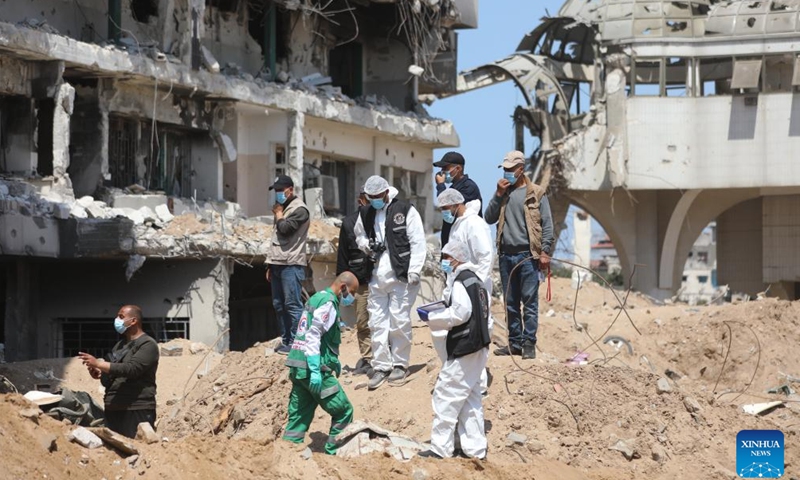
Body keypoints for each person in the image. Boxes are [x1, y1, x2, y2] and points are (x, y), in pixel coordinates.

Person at [418, 240, 490, 460]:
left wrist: (433, 318)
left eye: (447, 258)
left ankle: (440, 448)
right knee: (470, 398)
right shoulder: (476, 281)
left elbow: (460, 313)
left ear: (457, 258)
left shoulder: (461, 281)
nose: (444, 262)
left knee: (446, 395)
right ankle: (475, 449)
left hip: (465, 346)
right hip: (478, 346)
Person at [354, 175, 426, 390]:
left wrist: (414, 270)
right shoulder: (366, 213)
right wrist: (367, 245)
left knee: (399, 321)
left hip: (400, 275)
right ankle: (381, 365)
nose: (375, 200)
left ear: (386, 193)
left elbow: (418, 241)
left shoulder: (405, 210)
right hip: (377, 276)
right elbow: (358, 236)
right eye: (371, 197)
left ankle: (400, 364)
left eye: (378, 196)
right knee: (376, 323)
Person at [484, 151, 554, 360]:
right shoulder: (503, 193)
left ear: (521, 169)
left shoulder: (537, 193)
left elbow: (547, 225)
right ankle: (514, 344)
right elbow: (488, 217)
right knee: (510, 303)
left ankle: (529, 343)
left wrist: (545, 252)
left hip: (528, 256)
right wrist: (497, 195)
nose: (507, 172)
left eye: (511, 169)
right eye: (505, 168)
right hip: (506, 255)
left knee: (529, 302)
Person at [282, 272, 359, 455]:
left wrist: (333, 360)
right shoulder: (329, 303)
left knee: (299, 416)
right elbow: (313, 334)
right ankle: (334, 453)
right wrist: (316, 370)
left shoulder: (317, 298)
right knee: (343, 411)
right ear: (342, 287)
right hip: (312, 371)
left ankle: (287, 456)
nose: (350, 298)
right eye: (350, 292)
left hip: (298, 368)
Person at [436, 188, 495, 394]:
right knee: (463, 335)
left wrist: (473, 284)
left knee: (476, 334)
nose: (444, 212)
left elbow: (485, 257)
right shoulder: (457, 225)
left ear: (456, 204)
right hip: (460, 288)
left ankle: (478, 385)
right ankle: (466, 381)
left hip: (473, 289)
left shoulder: (474, 224)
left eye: (445, 208)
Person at [77, 305, 159, 439]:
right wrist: (100, 372)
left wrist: (99, 363)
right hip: (113, 409)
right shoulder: (120, 345)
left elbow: (132, 369)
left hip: (136, 408)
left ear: (133, 321)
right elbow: (113, 372)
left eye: (121, 317)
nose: (117, 320)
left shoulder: (147, 344)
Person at [266, 174, 310, 355]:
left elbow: (284, 230)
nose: (278, 194)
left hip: (291, 264)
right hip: (277, 263)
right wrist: (269, 265)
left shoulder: (300, 209)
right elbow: (274, 240)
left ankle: (298, 343)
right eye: (276, 191)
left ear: (290, 190)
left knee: (292, 304)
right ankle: (286, 341)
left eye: (280, 190)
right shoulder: (283, 208)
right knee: (278, 304)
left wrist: (278, 215)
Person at [336, 188, 373, 375]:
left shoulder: (381, 219)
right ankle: (367, 359)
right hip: (360, 282)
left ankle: (386, 357)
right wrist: (343, 285)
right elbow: (343, 255)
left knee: (384, 322)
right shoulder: (349, 223)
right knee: (363, 322)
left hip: (381, 280)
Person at [433, 151, 482, 248]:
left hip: (463, 246)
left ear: (458, 168)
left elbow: (447, 205)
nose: (442, 172)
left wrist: (441, 185)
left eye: (445, 168)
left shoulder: (468, 187)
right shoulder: (453, 188)